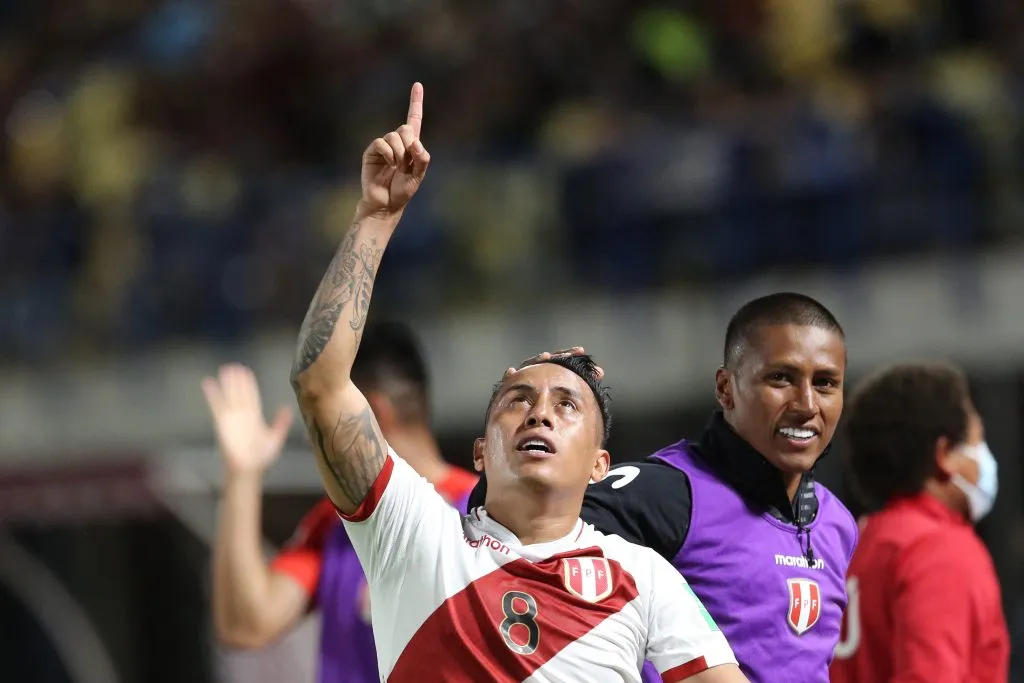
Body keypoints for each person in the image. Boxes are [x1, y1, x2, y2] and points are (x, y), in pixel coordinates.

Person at [288, 82, 748, 683]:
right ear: (480, 452)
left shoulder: (642, 574)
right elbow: (321, 386)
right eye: (517, 400)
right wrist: (375, 220)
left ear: (599, 466)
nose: (539, 414)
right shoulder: (416, 534)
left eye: (567, 405)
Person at [470, 293, 860, 682]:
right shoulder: (664, 494)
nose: (807, 404)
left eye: (825, 383)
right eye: (781, 378)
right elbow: (508, 519)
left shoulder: (838, 523)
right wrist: (518, 417)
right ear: (726, 388)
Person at [202, 321, 477, 683]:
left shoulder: (488, 515)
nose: (314, 436)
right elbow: (246, 626)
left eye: (323, 419)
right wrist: (242, 475)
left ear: (371, 414)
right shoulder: (336, 526)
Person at [829, 362, 1010, 683]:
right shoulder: (939, 549)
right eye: (977, 439)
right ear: (943, 456)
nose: (984, 456)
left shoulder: (856, 547)